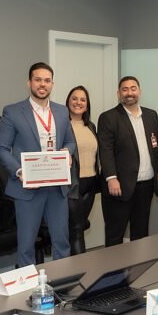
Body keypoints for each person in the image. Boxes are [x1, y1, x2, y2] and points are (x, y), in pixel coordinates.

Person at [0, 62, 76, 265]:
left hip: (57, 187)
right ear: (29, 82)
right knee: (26, 246)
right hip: (27, 187)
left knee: (61, 242)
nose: (42, 84)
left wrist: (67, 152)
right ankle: (28, 284)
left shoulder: (62, 111)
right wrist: (19, 171)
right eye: (38, 79)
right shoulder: (13, 111)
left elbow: (70, 141)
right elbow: (1, 149)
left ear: (52, 84)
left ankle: (62, 282)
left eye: (47, 80)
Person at [97, 76, 158, 246]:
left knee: (141, 236)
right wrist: (111, 178)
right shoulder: (108, 117)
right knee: (115, 235)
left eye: (133, 89)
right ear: (118, 93)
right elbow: (105, 151)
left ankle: (140, 264)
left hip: (145, 186)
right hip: (119, 187)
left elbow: (157, 146)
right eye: (125, 89)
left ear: (139, 91)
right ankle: (114, 265)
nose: (129, 93)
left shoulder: (151, 115)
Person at [66, 85, 99, 255]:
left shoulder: (91, 126)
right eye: (74, 98)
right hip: (72, 185)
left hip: (90, 184)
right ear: (68, 101)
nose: (78, 102)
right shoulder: (62, 125)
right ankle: (81, 267)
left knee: (79, 227)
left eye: (82, 100)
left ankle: (74, 265)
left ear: (87, 105)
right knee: (76, 229)